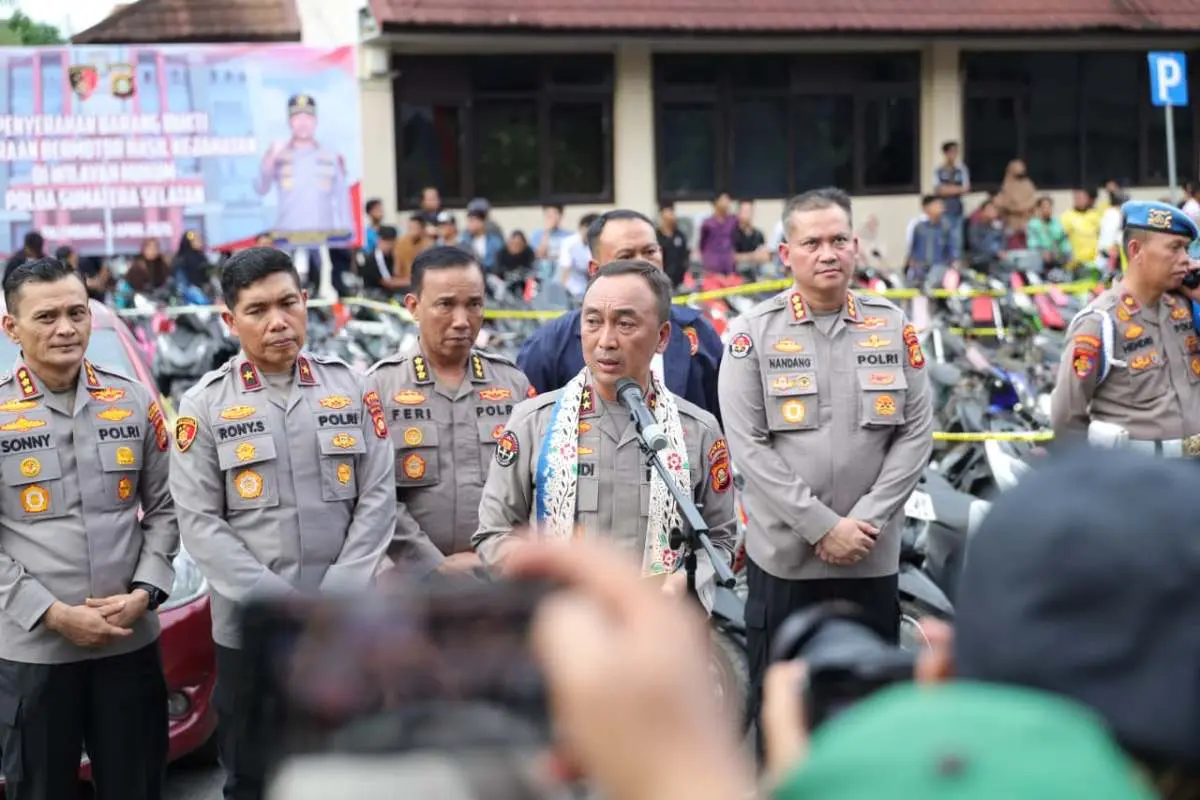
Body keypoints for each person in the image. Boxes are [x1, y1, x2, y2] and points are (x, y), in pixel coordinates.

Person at [169, 247, 395, 800]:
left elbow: (377, 498)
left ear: (305, 303)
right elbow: (201, 524)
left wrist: (334, 597)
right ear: (230, 319)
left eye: (289, 303)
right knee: (253, 776)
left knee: (346, 772)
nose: (278, 322)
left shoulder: (352, 388)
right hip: (251, 634)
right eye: (258, 309)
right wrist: (281, 607)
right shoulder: (204, 405)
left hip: (341, 624)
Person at [717, 187, 934, 746]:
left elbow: (914, 434)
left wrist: (863, 523)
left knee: (871, 718)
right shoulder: (751, 336)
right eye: (811, 242)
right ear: (785, 253)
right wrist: (822, 528)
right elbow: (749, 449)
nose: (827, 252)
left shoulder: (893, 326)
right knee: (783, 720)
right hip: (787, 563)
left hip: (871, 555)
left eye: (839, 239)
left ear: (857, 247)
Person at [0, 257, 178, 800]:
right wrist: (50, 613)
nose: (65, 328)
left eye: (77, 312)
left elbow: (169, 508)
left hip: (128, 643)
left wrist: (145, 593)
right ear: (12, 328)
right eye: (47, 316)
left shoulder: (132, 398)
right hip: (34, 652)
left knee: (137, 786)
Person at [475, 260, 736, 605]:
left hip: (658, 627)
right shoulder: (533, 423)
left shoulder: (698, 431)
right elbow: (494, 534)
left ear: (662, 337)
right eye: (593, 322)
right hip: (560, 628)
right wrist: (543, 574)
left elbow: (719, 540)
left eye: (625, 324)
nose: (606, 340)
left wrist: (682, 585)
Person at [366, 246, 532, 576]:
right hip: (410, 585)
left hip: (498, 581)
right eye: (445, 305)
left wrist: (494, 557)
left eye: (473, 305)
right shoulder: (378, 388)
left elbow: (532, 488)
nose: (461, 320)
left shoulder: (512, 384)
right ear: (413, 307)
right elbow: (373, 495)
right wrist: (432, 565)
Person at [516, 210, 724, 422]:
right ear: (595, 269)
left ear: (663, 336)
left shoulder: (697, 334)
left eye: (650, 252)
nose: (643, 265)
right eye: (626, 257)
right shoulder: (550, 345)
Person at [1050, 201, 1200, 454]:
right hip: (1141, 477)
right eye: (1175, 248)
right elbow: (1067, 419)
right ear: (1136, 250)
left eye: (1186, 249)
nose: (1187, 260)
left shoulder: (1184, 307)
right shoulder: (1100, 322)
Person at [254, 94, 352, 235]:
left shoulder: (331, 156)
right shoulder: (278, 154)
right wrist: (270, 158)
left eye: (308, 117)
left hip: (323, 237)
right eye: (297, 118)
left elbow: (342, 198)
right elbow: (261, 188)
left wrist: (347, 234)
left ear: (315, 121)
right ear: (289, 122)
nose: (303, 123)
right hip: (287, 235)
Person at [992, 159, 1038, 249]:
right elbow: (1001, 202)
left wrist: (1022, 207)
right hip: (1011, 222)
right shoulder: (1006, 185)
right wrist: (1013, 207)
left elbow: (1033, 201)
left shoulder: (1028, 184)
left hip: (1026, 220)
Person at [362, 225, 409, 297]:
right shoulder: (375, 258)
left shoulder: (392, 255)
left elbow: (397, 274)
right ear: (379, 240)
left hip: (388, 293)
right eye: (387, 243)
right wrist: (411, 281)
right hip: (374, 294)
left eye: (392, 243)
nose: (389, 246)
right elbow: (388, 283)